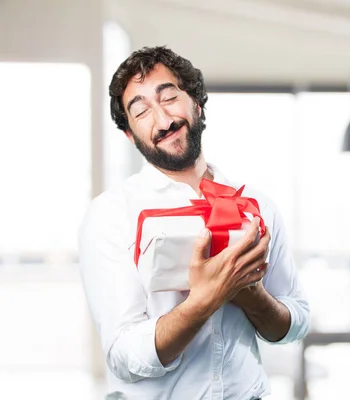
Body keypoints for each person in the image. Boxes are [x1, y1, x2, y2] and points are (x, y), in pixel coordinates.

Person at [78, 46, 310, 400]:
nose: (162, 119)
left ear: (197, 104)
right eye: (141, 112)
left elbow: (296, 322)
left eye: (169, 97)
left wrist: (253, 296)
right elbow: (122, 355)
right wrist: (204, 300)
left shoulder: (258, 206)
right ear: (130, 135)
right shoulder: (110, 216)